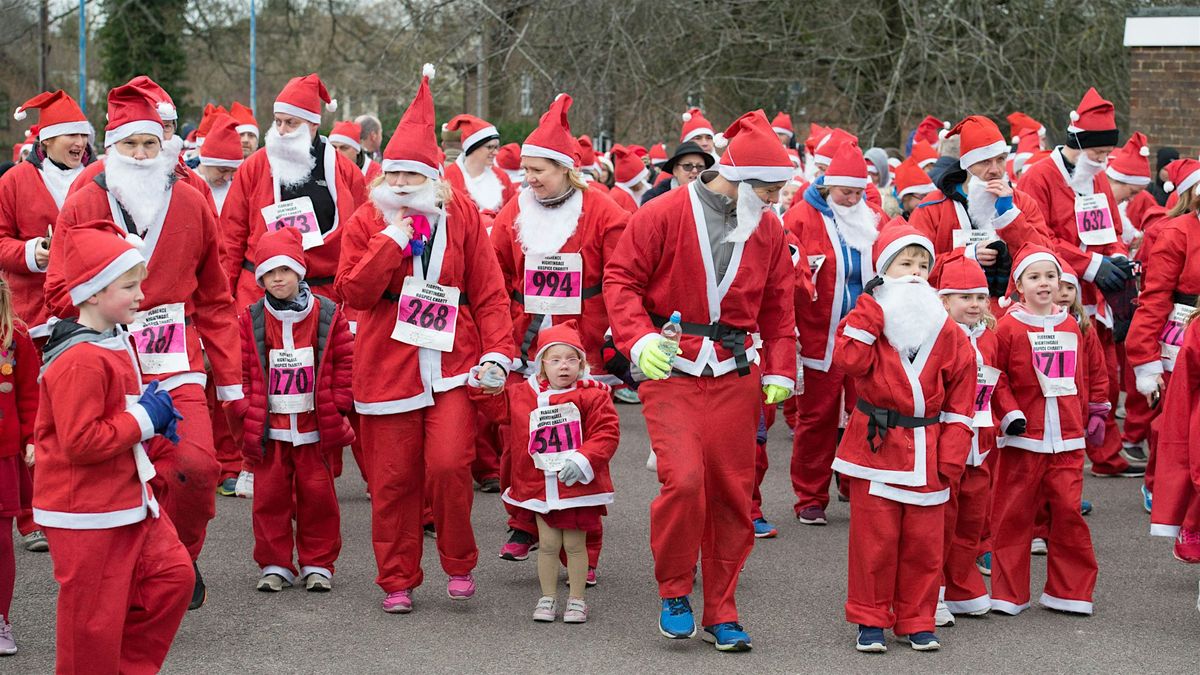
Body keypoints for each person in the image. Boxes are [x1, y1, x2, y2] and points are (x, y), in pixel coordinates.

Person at [46, 81, 244, 610]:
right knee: (125, 470)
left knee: (198, 470)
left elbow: (217, 297)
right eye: (129, 145)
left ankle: (179, 554)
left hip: (176, 355)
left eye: (149, 145)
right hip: (108, 357)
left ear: (164, 146)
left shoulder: (191, 197)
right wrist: (104, 288)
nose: (139, 155)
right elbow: (56, 292)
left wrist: (231, 382)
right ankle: (138, 569)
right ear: (110, 148)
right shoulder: (86, 197)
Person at [605, 109, 796, 652]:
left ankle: (723, 610)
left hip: (738, 373)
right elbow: (621, 278)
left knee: (734, 496)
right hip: (674, 369)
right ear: (736, 178)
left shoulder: (770, 226)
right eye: (770, 188)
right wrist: (638, 340)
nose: (777, 200)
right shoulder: (663, 210)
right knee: (685, 481)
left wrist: (782, 368)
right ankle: (673, 590)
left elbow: (780, 308)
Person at [334, 65, 515, 614]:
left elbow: (488, 290)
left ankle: (459, 563)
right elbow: (352, 293)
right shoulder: (368, 219)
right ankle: (397, 579)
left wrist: (498, 352)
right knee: (391, 482)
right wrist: (391, 239)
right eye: (395, 178)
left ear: (435, 178)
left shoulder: (458, 215)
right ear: (382, 177)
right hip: (387, 363)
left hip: (453, 361)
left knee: (449, 466)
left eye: (414, 178)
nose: (404, 187)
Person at [34, 220, 193, 673]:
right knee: (92, 626)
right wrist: (146, 418)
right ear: (94, 293)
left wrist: (148, 420)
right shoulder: (81, 358)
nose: (142, 295)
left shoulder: (113, 338)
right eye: (130, 286)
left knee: (172, 578)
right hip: (86, 509)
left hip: (126, 497)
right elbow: (82, 442)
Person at [489, 94, 628, 575]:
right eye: (524, 170)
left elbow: (622, 276)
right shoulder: (515, 210)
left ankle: (584, 549)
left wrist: (614, 339)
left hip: (580, 342)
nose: (528, 179)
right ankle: (524, 523)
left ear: (566, 169)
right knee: (520, 436)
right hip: (528, 338)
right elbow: (495, 270)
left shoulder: (603, 210)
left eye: (538, 170)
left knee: (579, 440)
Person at [832, 221, 974, 653]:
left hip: (929, 451)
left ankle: (916, 617)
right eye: (903, 264)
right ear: (883, 270)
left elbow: (962, 398)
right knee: (873, 542)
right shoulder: (868, 316)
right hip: (875, 447)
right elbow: (848, 361)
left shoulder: (946, 329)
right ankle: (870, 618)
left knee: (925, 546)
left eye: (922, 265)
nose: (914, 272)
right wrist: (871, 313)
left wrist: (952, 454)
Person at [1017, 87, 1141, 480]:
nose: (1105, 162)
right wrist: (1089, 265)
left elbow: (1111, 229)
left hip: (1098, 297)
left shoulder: (1099, 178)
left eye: (1107, 155)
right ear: (1079, 145)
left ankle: (1107, 454)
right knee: (1068, 381)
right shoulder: (1039, 176)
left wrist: (1117, 257)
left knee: (1104, 376)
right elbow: (1039, 237)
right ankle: (1065, 464)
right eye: (1099, 153)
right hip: (1059, 292)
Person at [226, 227, 354, 593]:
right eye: (268, 272)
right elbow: (245, 367)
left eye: (284, 270)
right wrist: (249, 407)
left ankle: (318, 562)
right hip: (271, 427)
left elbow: (345, 359)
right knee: (270, 499)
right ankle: (274, 563)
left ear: (300, 271)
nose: (277, 278)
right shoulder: (250, 318)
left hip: (314, 425)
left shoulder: (327, 313)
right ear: (260, 278)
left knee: (318, 496)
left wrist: (340, 402)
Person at [471, 321, 618, 623]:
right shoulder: (523, 393)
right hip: (540, 485)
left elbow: (607, 433)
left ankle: (576, 600)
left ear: (581, 364)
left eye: (571, 359)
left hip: (578, 486)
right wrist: (485, 383)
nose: (564, 366)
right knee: (548, 545)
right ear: (541, 366)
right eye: (555, 360)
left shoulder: (594, 395)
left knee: (576, 545)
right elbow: (496, 408)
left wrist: (583, 460)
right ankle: (548, 597)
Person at [988, 244, 1103, 617]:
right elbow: (996, 377)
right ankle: (1009, 594)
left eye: (1050, 276)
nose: (1044, 283)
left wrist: (1093, 413)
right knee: (1013, 515)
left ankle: (1070, 592)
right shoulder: (1007, 326)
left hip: (1067, 437)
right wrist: (1009, 415)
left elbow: (1084, 375)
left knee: (1068, 514)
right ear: (1019, 284)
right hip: (1024, 438)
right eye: (1034, 277)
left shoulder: (1072, 323)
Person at [0, 90, 92, 552]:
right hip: (31, 315)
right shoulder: (15, 180)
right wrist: (32, 252)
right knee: (31, 418)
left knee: (77, 417)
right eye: (71, 134)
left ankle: (74, 506)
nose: (79, 142)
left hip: (87, 313)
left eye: (83, 134)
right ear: (48, 139)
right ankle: (31, 517)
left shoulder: (100, 178)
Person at [784, 138, 886, 524]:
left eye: (859, 192)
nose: (852, 199)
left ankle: (854, 482)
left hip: (865, 336)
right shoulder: (799, 218)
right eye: (846, 192)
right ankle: (810, 496)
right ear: (827, 184)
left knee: (867, 413)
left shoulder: (872, 215)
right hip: (818, 336)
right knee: (818, 418)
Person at [222, 73, 368, 309]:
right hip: (259, 293)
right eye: (277, 121)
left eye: (291, 123)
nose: (281, 130)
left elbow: (362, 234)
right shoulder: (254, 167)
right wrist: (224, 296)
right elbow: (231, 236)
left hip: (324, 296)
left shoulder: (346, 172)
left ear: (313, 125)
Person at [930, 251, 1013, 626]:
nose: (975, 304)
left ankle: (962, 586)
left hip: (981, 444)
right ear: (943, 300)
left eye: (981, 296)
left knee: (971, 521)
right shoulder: (935, 336)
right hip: (948, 442)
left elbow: (999, 385)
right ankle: (932, 592)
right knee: (940, 523)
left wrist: (1009, 417)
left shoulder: (991, 337)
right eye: (965, 297)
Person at [909, 116, 1054, 313]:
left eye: (1000, 160)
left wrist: (1009, 217)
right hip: (949, 316)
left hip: (1013, 315)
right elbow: (914, 268)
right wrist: (967, 256)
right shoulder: (932, 207)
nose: (995, 170)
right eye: (985, 162)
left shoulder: (1022, 203)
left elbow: (1045, 257)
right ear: (967, 164)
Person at [1126, 158, 1200, 521]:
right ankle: (1157, 483)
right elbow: (1154, 298)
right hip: (1183, 335)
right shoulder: (1177, 231)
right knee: (1173, 419)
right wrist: (1145, 358)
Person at [0, 274, 38, 655]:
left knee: (0, 542)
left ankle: (0, 619)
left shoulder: (17, 336)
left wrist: (32, 439)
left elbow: (30, 395)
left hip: (3, 457)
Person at [442, 114, 517, 221]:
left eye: (497, 147)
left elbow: (513, 214)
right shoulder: (448, 177)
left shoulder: (502, 177)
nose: (496, 152)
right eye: (490, 147)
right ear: (472, 148)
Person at [195, 113, 245, 215]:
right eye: (222, 170)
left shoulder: (237, 191)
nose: (227, 178)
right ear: (206, 161)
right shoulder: (188, 184)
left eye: (232, 172)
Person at [639, 140, 713, 205]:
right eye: (687, 166)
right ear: (675, 171)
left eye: (700, 167)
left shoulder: (714, 195)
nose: (695, 171)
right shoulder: (654, 200)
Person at [329, 120, 382, 184]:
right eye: (333, 147)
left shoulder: (375, 173)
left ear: (357, 150)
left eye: (344, 148)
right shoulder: (324, 168)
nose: (337, 152)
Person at [608, 144, 650, 212]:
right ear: (633, 182)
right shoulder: (619, 197)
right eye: (640, 179)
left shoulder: (646, 188)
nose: (642, 183)